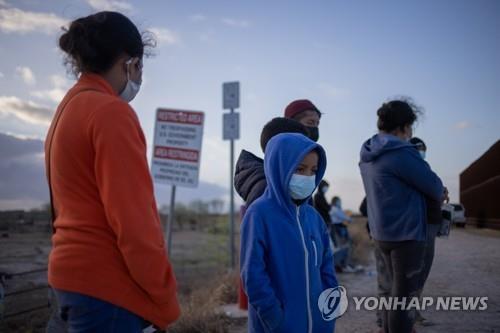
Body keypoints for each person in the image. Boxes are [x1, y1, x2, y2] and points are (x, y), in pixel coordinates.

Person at [44, 12, 179, 332]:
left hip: (68, 280)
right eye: (140, 66)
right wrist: (164, 296)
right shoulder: (111, 113)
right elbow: (134, 221)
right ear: (128, 62)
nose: (139, 77)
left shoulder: (68, 109)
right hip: (108, 291)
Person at [359, 99, 447, 333]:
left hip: (382, 233)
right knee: (404, 297)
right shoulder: (401, 152)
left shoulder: (368, 152)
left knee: (391, 292)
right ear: (405, 126)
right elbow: (434, 187)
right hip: (407, 234)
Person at [240, 133, 337, 333]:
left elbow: (327, 266)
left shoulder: (313, 217)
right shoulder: (260, 214)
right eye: (300, 169)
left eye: (313, 171)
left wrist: (329, 310)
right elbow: (253, 276)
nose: (308, 177)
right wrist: (276, 319)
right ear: (279, 167)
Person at [235, 117, 311, 206]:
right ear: (278, 151)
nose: (305, 156)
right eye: (301, 150)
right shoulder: (267, 192)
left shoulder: (283, 184)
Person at [409, 137, 444, 327]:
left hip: (431, 224)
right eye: (418, 148)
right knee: (417, 271)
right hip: (421, 226)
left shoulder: (424, 168)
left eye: (423, 148)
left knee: (423, 270)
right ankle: (409, 314)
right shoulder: (413, 170)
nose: (421, 151)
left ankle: (413, 311)